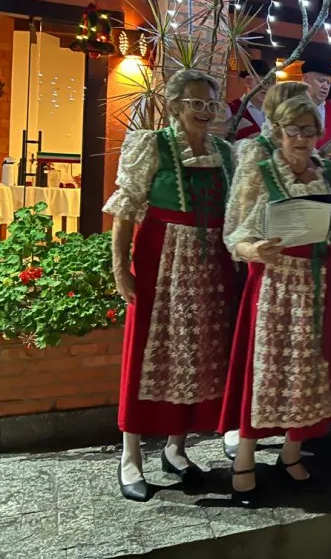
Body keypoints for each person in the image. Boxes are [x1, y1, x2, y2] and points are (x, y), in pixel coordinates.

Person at [104, 69, 235, 502]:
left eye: (210, 104)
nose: (204, 111)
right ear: (174, 104)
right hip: (160, 263)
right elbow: (125, 211)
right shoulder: (151, 145)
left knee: (197, 357)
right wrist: (121, 268)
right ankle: (130, 457)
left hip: (211, 269)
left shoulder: (225, 153)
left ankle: (177, 450)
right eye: (195, 102)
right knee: (147, 353)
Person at [220, 94, 331, 505]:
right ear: (277, 132)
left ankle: (292, 453)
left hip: (318, 283)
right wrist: (252, 251)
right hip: (275, 283)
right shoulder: (257, 170)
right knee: (267, 370)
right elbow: (234, 233)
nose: (302, 138)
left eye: (310, 131)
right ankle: (244, 456)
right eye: (293, 130)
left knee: (309, 368)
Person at [220, 80, 314, 461]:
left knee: (297, 361)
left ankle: (292, 434)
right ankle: (244, 434)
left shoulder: (317, 164)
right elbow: (238, 223)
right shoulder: (255, 153)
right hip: (266, 267)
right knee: (260, 355)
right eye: (293, 116)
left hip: (307, 271)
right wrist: (252, 250)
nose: (301, 127)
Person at [301, 59, 331, 148]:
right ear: (305, 79)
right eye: (321, 81)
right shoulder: (289, 105)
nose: (325, 86)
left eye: (328, 83)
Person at [227, 59, 270, 141]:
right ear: (248, 82)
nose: (266, 87)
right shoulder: (231, 109)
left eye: (269, 82)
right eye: (261, 83)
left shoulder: (272, 111)